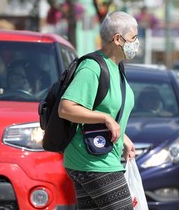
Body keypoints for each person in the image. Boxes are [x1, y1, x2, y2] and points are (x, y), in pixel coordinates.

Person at [58, 11, 139, 210]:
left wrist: (123, 138)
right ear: (118, 39)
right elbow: (66, 108)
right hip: (93, 162)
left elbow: (104, 110)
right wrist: (106, 118)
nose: (137, 43)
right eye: (134, 38)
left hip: (98, 158)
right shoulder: (92, 68)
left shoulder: (116, 68)